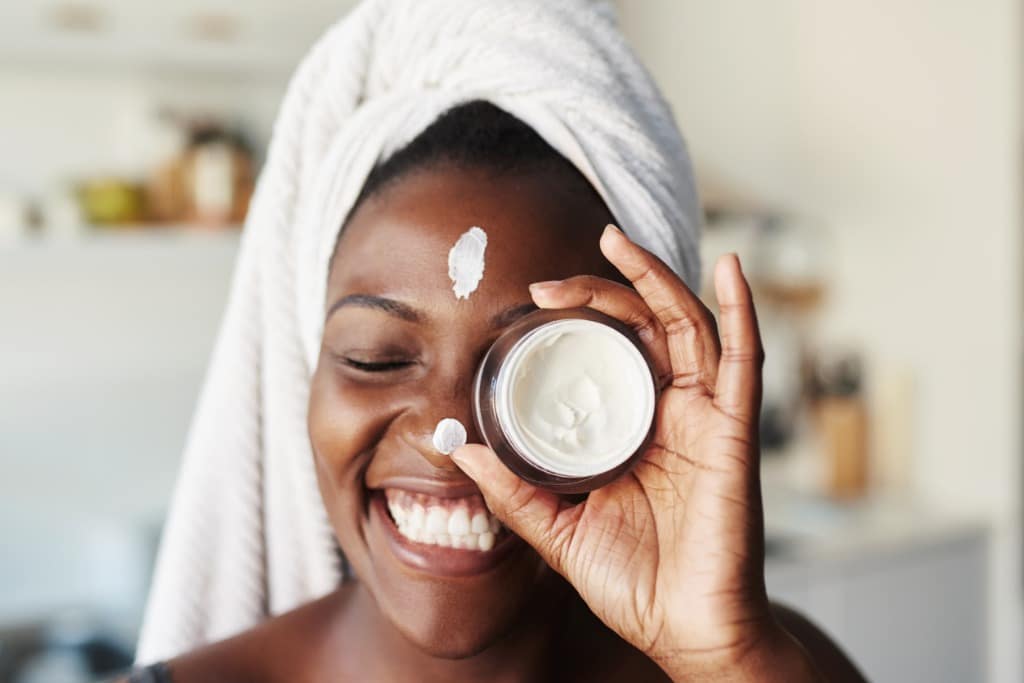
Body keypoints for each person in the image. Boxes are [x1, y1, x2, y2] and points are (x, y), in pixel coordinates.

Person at [125, 2, 868, 682]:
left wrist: (728, 662)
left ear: (649, 383)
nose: (451, 436)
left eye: (531, 369)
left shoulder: (778, 665)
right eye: (374, 357)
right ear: (305, 372)